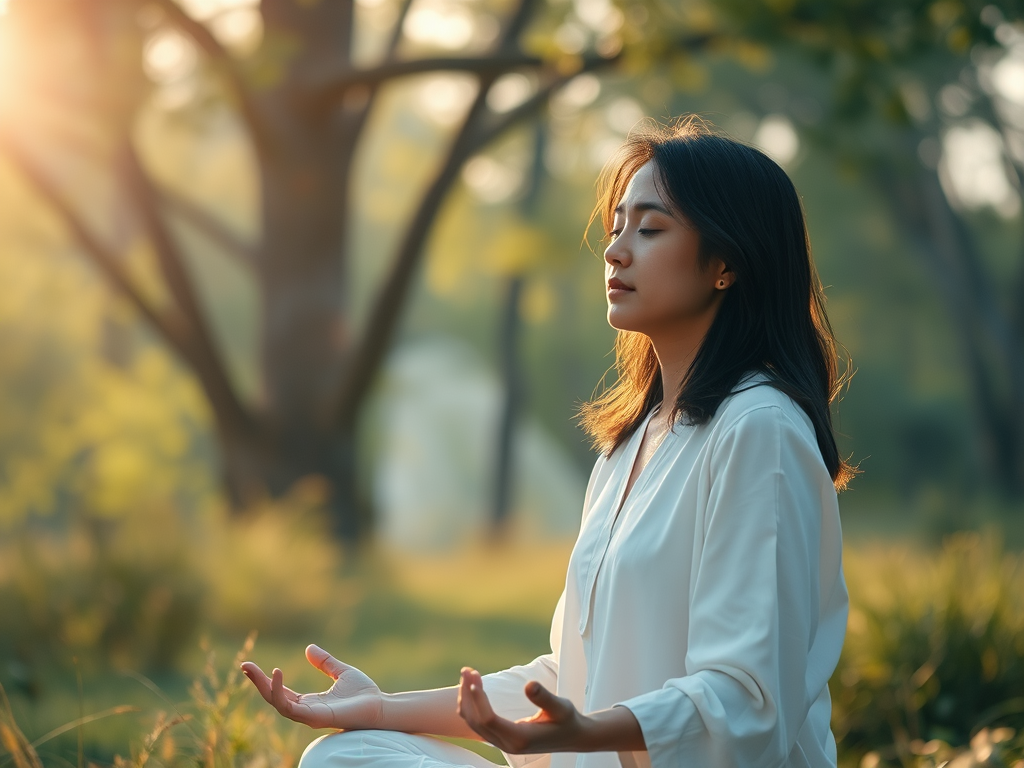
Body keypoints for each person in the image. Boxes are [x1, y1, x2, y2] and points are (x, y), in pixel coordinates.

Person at [240, 116, 854, 768]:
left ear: (726, 261)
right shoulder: (632, 444)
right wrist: (380, 706)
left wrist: (583, 735)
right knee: (349, 756)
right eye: (617, 227)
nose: (616, 251)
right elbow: (571, 680)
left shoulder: (761, 431)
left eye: (650, 229)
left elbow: (746, 701)